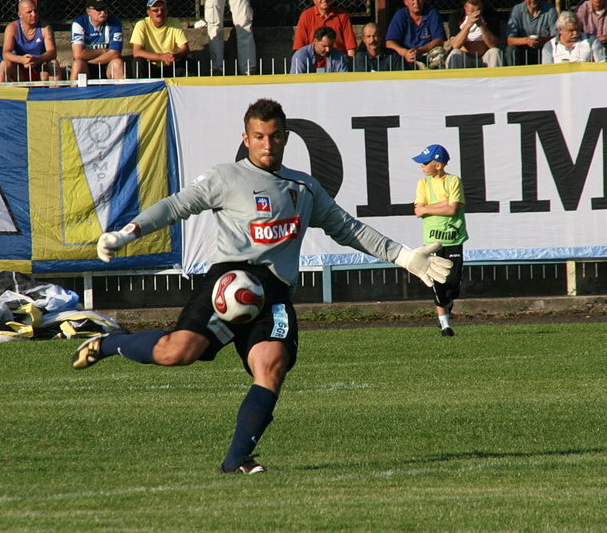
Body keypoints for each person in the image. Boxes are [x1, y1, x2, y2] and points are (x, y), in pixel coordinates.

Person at [73, 98, 452, 474]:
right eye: (259, 136)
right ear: (246, 137)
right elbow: (176, 206)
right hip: (226, 282)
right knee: (177, 352)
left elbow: (348, 229)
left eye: (274, 137)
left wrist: (404, 257)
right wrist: (127, 234)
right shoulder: (225, 177)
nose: (267, 144)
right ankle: (110, 343)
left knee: (271, 366)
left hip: (273, 292)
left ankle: (236, 459)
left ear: (285, 137)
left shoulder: (304, 188)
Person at [411, 144, 467, 337]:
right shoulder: (423, 184)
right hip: (432, 242)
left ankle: (447, 307)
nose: (422, 166)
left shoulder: (453, 181)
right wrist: (442, 204)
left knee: (453, 283)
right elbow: (418, 210)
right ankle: (445, 325)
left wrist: (428, 207)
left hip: (453, 239)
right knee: (437, 282)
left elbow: (452, 210)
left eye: (425, 163)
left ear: (437, 164)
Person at [385, 0, 446, 70]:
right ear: (405, 2)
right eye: (412, 0)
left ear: (424, 0)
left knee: (439, 53)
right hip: (407, 55)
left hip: (427, 53)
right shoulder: (400, 15)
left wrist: (421, 50)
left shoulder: (432, 13)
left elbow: (439, 40)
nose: (416, 3)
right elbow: (389, 43)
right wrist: (405, 52)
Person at [0, 0, 60, 83]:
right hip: (20, 69)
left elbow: (52, 52)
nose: (34, 14)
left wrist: (37, 59)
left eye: (35, 11)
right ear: (20, 14)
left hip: (40, 69)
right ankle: (1, 95)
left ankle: (55, 94)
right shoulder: (12, 28)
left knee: (54, 63)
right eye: (29, 12)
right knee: (4, 64)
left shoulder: (45, 27)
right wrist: (22, 60)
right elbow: (6, 53)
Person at [130, 0, 190, 78]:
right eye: (155, 10)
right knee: (138, 62)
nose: (160, 13)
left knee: (188, 59)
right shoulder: (141, 24)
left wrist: (174, 56)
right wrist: (161, 57)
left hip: (169, 64)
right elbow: (137, 52)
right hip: (150, 66)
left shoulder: (174, 22)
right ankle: (142, 90)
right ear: (148, 12)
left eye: (163, 10)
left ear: (167, 11)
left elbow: (185, 48)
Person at [292, 0, 357, 58]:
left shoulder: (342, 16)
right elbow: (299, 47)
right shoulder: (306, 16)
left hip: (338, 59)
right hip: (313, 60)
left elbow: (350, 46)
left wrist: (351, 65)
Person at [69, 0, 124, 81]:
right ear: (88, 11)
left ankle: (121, 93)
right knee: (78, 64)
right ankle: (73, 93)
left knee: (117, 62)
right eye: (99, 9)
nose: (103, 12)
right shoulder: (79, 23)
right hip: (86, 66)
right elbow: (78, 54)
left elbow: (115, 53)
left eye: (105, 8)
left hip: (106, 64)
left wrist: (90, 60)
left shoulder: (115, 23)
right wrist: (103, 51)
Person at [445, 0, 503, 68]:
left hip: (484, 56)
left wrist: (480, 24)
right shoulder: (456, 16)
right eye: (470, 3)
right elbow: (455, 45)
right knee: (454, 53)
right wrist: (468, 25)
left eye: (476, 4)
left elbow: (493, 44)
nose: (472, 8)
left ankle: (496, 79)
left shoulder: (490, 16)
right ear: (465, 5)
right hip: (465, 57)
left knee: (495, 52)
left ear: (481, 5)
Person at [505, 0, 558, 66]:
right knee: (511, 49)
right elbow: (509, 40)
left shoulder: (550, 9)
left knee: (552, 47)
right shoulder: (517, 10)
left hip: (543, 49)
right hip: (523, 50)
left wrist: (541, 40)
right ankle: (514, 76)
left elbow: (557, 37)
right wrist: (526, 40)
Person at [542, 10, 607, 63]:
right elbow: (547, 71)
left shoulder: (591, 40)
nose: (575, 33)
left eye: (577, 29)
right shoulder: (550, 46)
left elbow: (601, 63)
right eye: (571, 30)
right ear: (560, 29)